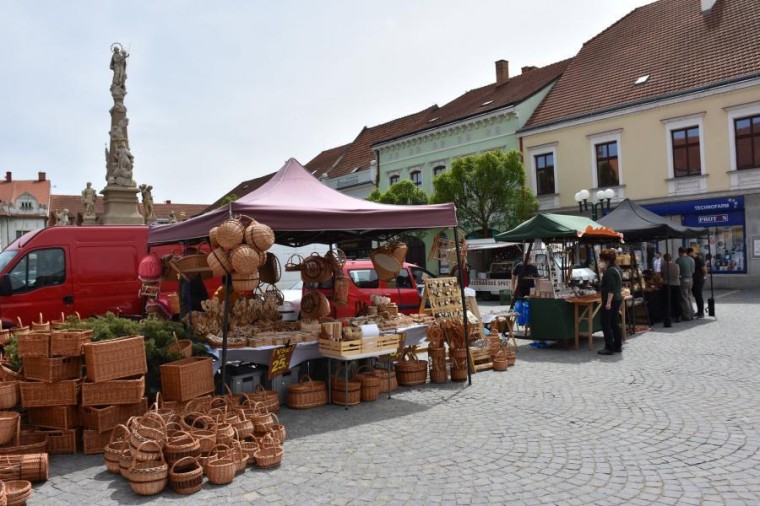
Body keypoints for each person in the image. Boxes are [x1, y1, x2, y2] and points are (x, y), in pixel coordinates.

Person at [597, 249, 623, 355]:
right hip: (617, 299)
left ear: (606, 261)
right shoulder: (617, 268)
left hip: (611, 300)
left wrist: (608, 303)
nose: (600, 262)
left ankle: (609, 347)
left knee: (605, 323)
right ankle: (617, 345)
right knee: (614, 323)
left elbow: (611, 288)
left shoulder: (609, 272)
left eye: (601, 260)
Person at [675, 247, 695, 321]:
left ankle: (687, 315)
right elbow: (693, 270)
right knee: (689, 297)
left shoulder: (679, 260)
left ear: (680, 252)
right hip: (691, 279)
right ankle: (692, 313)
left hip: (683, 279)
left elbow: (677, 272)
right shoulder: (691, 259)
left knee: (684, 298)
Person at [661, 253, 681, 322]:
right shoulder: (676, 265)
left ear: (664, 259)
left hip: (667, 284)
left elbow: (662, 275)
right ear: (671, 258)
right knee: (677, 300)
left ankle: (668, 315)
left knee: (668, 300)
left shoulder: (663, 266)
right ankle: (678, 316)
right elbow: (678, 274)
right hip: (676, 284)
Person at [689, 247, 707, 318]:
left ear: (691, 252)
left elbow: (704, 269)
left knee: (698, 296)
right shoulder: (692, 259)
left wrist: (705, 276)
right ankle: (699, 311)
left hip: (698, 280)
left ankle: (701, 312)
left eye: (689, 254)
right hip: (693, 280)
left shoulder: (698, 259)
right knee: (696, 296)